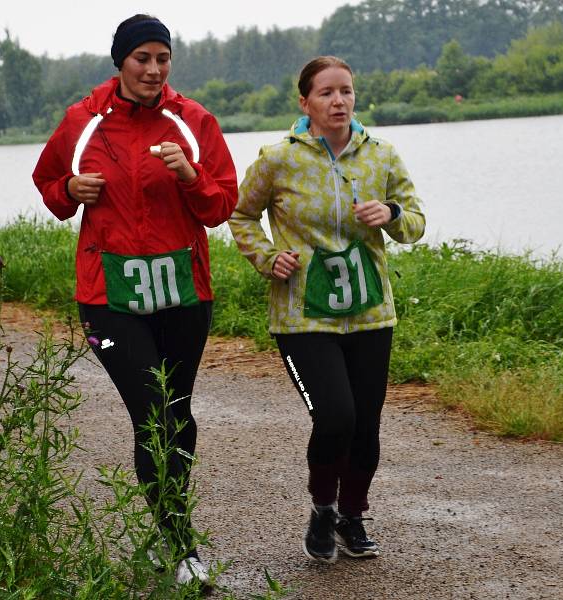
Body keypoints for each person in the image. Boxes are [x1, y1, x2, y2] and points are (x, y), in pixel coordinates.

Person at [32, 14, 237, 586]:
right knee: (151, 409)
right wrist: (69, 190)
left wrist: (192, 177)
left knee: (179, 415)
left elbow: (222, 205)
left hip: (182, 292)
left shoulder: (194, 121)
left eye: (162, 58)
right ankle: (180, 544)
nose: (152, 69)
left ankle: (163, 524)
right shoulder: (83, 122)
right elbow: (48, 184)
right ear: (120, 61)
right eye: (141, 58)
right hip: (108, 296)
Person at [229, 56, 425, 564]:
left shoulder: (381, 155)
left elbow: (416, 223)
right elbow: (241, 213)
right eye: (327, 93)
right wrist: (267, 257)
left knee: (365, 425)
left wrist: (392, 213)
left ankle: (352, 516)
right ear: (305, 103)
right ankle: (322, 508)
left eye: (347, 92)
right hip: (302, 316)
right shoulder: (278, 159)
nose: (339, 102)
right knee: (335, 416)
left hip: (370, 313)